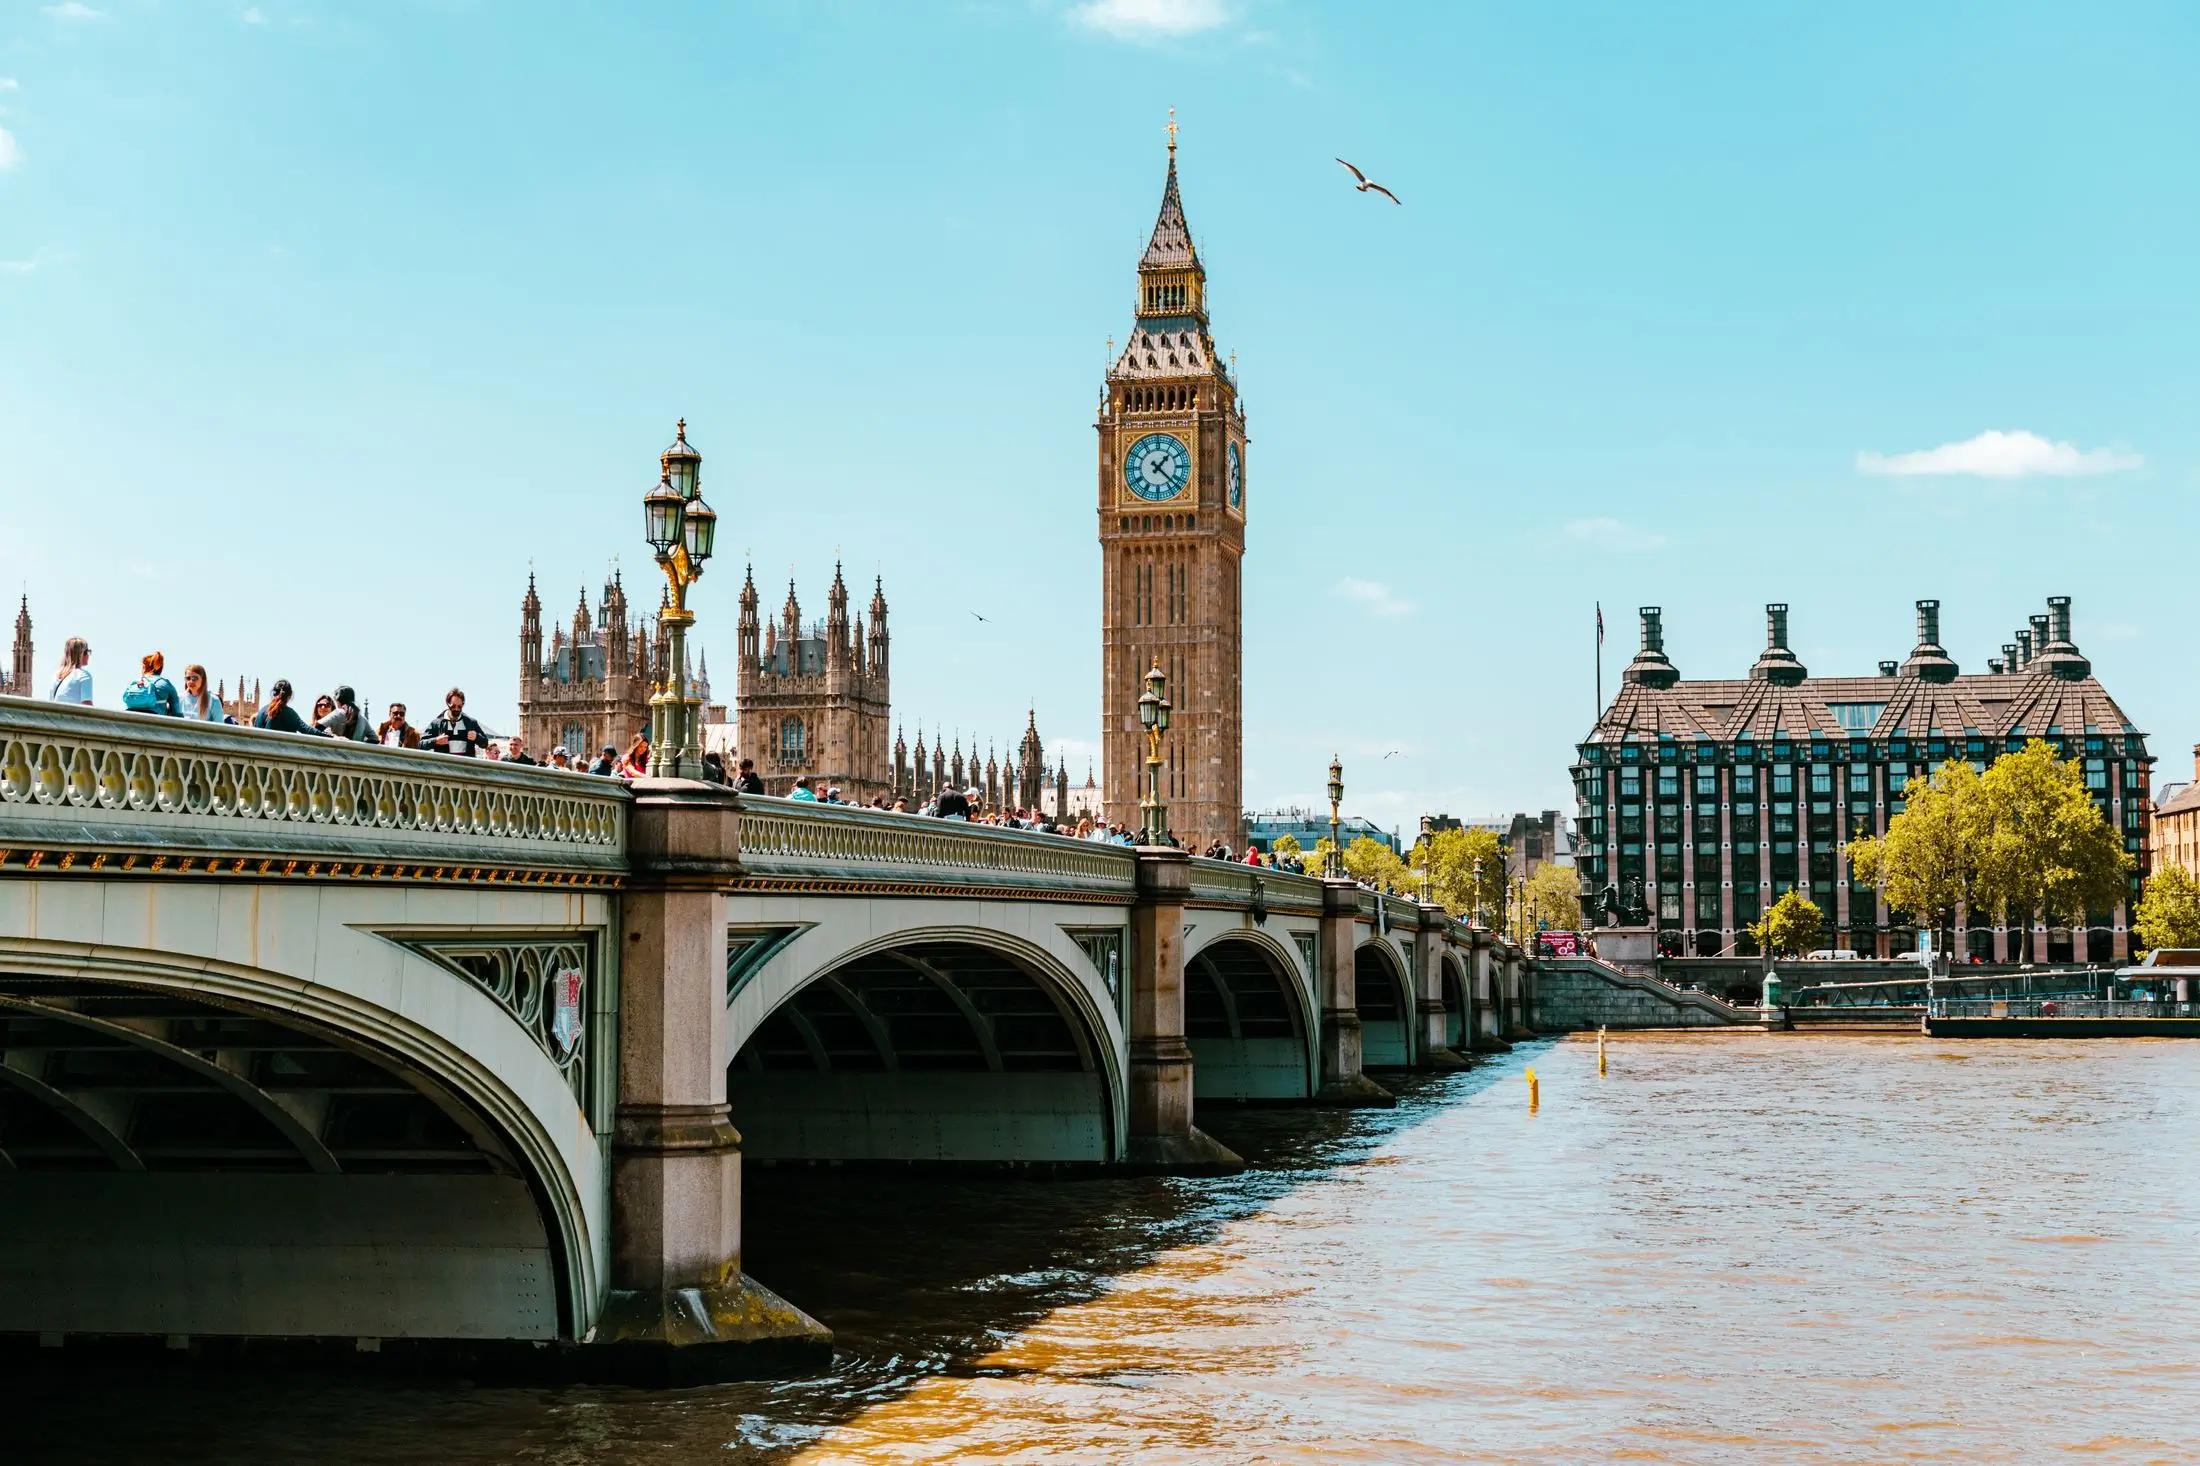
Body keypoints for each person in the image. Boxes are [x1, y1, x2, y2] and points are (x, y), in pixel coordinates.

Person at [423, 688, 487, 756]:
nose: (456, 709)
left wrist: (477, 737)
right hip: (444, 765)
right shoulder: (436, 724)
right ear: (448, 703)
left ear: (463, 704)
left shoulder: (471, 723)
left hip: (465, 765)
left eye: (459, 706)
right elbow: (421, 744)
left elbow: (485, 743)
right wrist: (435, 741)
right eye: (453, 706)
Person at [122, 652, 183, 717]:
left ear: (144, 667)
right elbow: (177, 712)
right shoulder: (165, 684)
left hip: (131, 723)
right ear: (161, 668)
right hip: (155, 724)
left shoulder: (135, 684)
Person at [251, 679, 316, 735]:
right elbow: (306, 730)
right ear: (290, 696)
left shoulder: (261, 712)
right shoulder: (290, 714)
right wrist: (324, 735)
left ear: (273, 693)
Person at [49, 636, 92, 705]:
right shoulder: (84, 675)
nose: (88, 655)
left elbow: (51, 702)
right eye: (87, 652)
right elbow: (87, 705)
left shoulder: (56, 675)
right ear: (81, 654)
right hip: (73, 715)